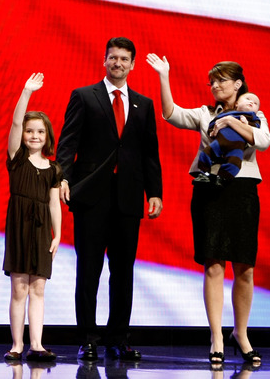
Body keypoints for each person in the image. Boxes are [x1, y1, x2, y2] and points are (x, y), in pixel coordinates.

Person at [146, 54, 270, 365]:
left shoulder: (255, 113)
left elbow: (264, 141)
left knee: (245, 268)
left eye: (221, 81)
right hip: (209, 190)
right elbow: (170, 114)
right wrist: (164, 76)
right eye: (211, 82)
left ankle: (240, 334)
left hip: (242, 192)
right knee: (213, 265)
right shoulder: (204, 114)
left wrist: (231, 121)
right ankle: (216, 335)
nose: (214, 86)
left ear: (237, 84)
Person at [56, 37, 163, 361]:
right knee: (88, 271)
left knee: (123, 272)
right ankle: (87, 337)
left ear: (132, 64)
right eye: (112, 57)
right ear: (104, 61)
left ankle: (118, 339)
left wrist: (155, 192)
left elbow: (149, 153)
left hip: (128, 199)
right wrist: (62, 177)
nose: (118, 63)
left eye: (124, 59)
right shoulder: (84, 96)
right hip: (91, 198)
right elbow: (68, 141)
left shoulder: (143, 104)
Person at [2, 73, 61, 362]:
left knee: (38, 287)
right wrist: (26, 92)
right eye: (29, 131)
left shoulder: (53, 169)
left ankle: (37, 344)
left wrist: (58, 234)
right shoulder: (17, 160)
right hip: (18, 226)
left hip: (41, 232)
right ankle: (17, 344)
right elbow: (14, 123)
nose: (34, 136)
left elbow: (54, 204)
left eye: (40, 131)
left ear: (48, 136)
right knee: (19, 287)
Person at [194, 92, 261, 186]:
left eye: (255, 103)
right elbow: (215, 122)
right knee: (206, 153)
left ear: (257, 110)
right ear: (236, 103)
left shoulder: (253, 118)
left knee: (235, 163)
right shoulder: (227, 113)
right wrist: (211, 131)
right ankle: (204, 174)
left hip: (237, 146)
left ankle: (222, 178)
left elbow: (256, 131)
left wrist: (247, 125)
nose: (251, 102)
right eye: (248, 99)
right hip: (220, 141)